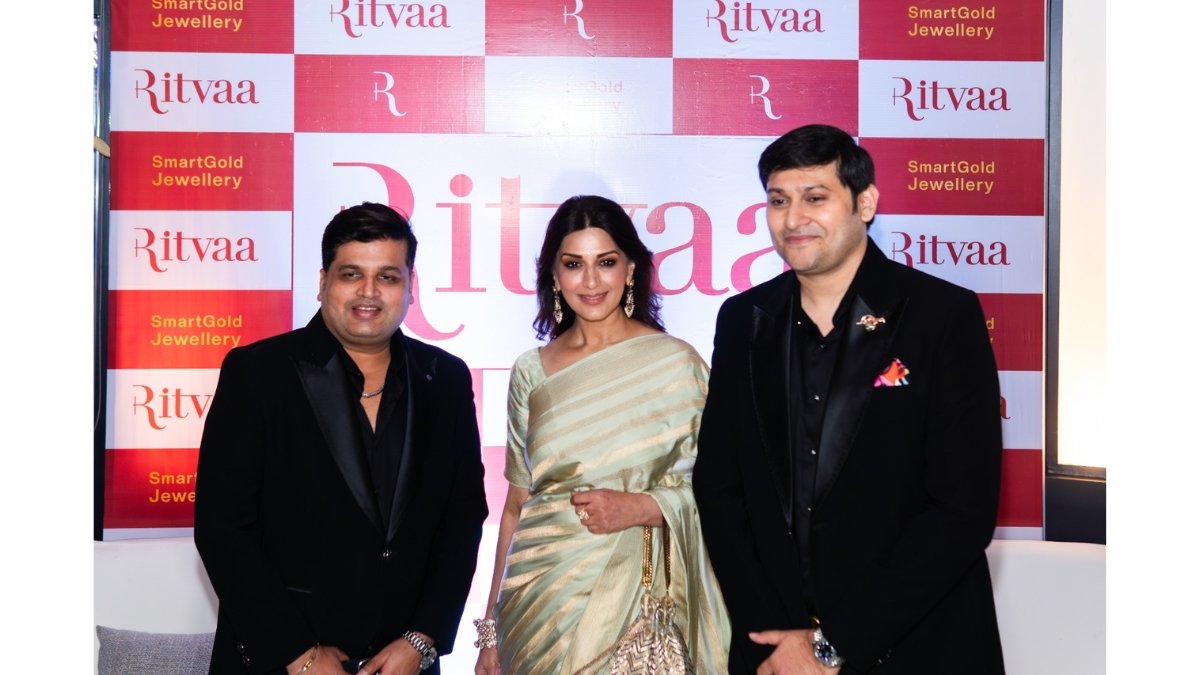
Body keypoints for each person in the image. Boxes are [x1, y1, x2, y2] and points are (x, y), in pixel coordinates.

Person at [693, 125, 1005, 674]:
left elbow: (962, 511)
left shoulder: (941, 315)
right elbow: (719, 488)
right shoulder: (743, 319)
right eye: (778, 201)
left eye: (815, 198)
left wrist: (832, 644)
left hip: (914, 647)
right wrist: (778, 640)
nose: (793, 219)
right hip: (776, 653)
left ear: (865, 203)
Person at [194, 202, 488, 675]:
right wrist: (299, 655)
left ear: (410, 286)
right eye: (351, 274)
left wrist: (422, 639)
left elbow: (462, 519)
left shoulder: (445, 379)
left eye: (387, 276)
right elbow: (223, 528)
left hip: (404, 663)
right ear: (323, 282)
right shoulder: (259, 373)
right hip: (281, 662)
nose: (368, 292)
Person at [472, 195, 730, 674]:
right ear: (554, 276)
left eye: (606, 262)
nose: (591, 281)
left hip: (633, 605)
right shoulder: (531, 371)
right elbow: (515, 506)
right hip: (537, 605)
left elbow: (724, 492)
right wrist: (490, 631)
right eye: (574, 264)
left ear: (630, 269)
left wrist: (643, 507)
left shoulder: (677, 365)